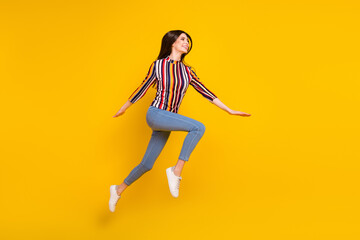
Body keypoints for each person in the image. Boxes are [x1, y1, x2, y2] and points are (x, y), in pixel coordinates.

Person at [109, 30, 251, 212]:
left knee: (147, 164)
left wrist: (229, 110)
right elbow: (143, 87)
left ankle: (118, 190)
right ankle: (176, 171)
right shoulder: (158, 65)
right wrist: (124, 107)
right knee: (198, 127)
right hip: (155, 113)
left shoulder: (188, 71)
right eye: (183, 39)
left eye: (188, 41)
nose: (187, 43)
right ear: (172, 43)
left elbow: (206, 92)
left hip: (167, 120)